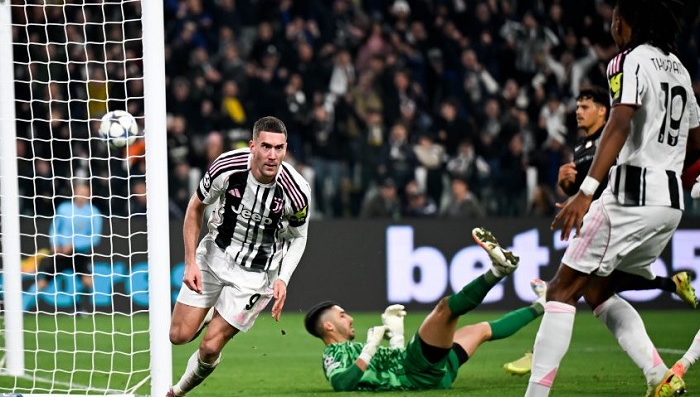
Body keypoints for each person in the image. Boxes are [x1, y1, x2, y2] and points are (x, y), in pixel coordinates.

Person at [526, 0, 700, 397]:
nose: (612, 28)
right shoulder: (679, 69)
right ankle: (658, 375)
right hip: (670, 206)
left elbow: (618, 123)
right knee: (597, 288)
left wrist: (586, 191)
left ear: (624, 23)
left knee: (560, 290)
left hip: (630, 198)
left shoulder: (627, 60)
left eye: (614, 21)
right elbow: (695, 143)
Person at [503, 87, 697, 375]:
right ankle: (659, 359)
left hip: (621, 215)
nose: (578, 112)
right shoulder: (582, 147)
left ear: (603, 110)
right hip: (604, 219)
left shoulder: (616, 134)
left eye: (585, 106)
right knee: (597, 291)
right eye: (577, 107)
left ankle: (538, 355)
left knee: (570, 289)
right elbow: (583, 189)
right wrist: (567, 185)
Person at [166, 116, 311, 397]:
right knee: (179, 335)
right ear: (252, 146)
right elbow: (196, 207)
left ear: (285, 148)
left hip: (256, 275)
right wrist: (190, 262)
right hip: (214, 255)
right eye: (266, 146)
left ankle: (177, 392)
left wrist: (283, 278)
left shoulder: (296, 191)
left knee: (210, 347)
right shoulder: (227, 167)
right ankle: (211, 312)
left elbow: (299, 236)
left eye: (279, 148)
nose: (272, 155)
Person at [305, 227, 545, 392]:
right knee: (445, 309)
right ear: (328, 326)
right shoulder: (333, 354)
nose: (350, 318)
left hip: (434, 375)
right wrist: (370, 348)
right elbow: (341, 384)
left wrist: (396, 335)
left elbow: (394, 365)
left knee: (481, 329)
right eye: (342, 315)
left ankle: (542, 304)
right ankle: (498, 271)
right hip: (419, 372)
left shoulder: (353, 349)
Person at [36, 180, 103, 314]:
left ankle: (79, 306)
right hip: (61, 252)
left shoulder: (94, 213)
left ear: (89, 195)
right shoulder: (64, 209)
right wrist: (54, 244)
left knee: (88, 283)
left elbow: (95, 238)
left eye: (85, 193)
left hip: (80, 253)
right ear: (74, 193)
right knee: (43, 281)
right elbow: (55, 228)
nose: (81, 196)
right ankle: (23, 305)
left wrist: (74, 245)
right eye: (79, 192)